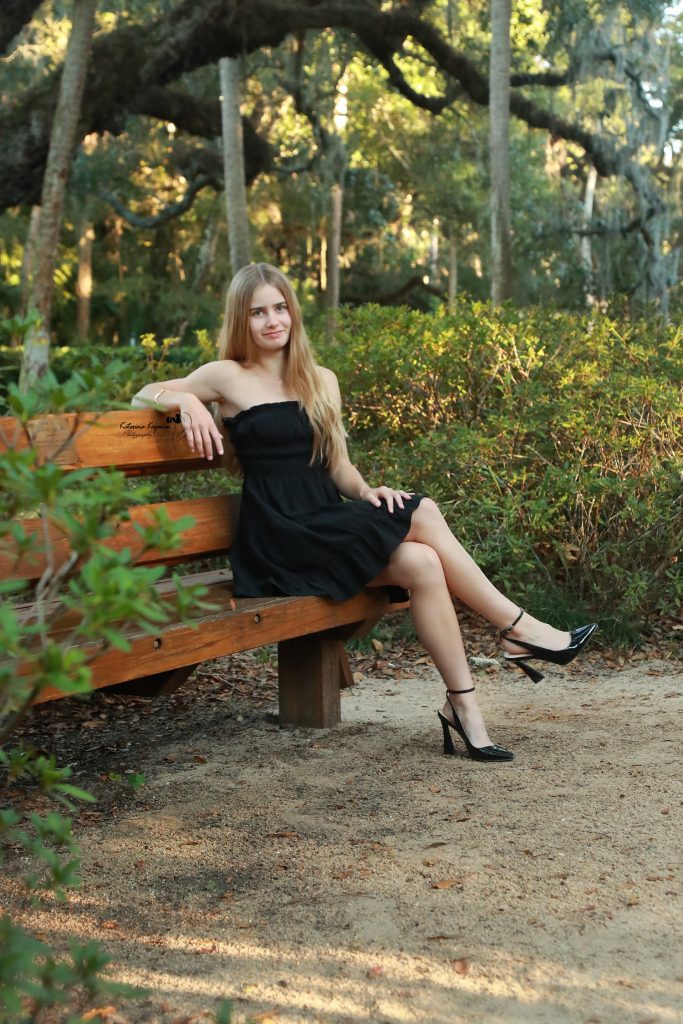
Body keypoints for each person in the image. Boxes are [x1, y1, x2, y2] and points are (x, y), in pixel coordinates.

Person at [131, 263, 597, 763]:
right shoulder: (227, 376)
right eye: (258, 312)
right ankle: (519, 629)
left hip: (322, 518)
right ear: (240, 320)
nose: (272, 321)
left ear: (294, 312)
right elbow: (141, 394)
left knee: (423, 563)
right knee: (427, 511)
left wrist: (369, 491)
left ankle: (464, 708)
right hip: (278, 535)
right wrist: (184, 400)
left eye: (280, 307)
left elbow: (339, 468)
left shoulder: (321, 381)